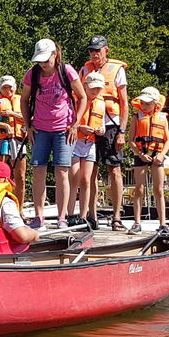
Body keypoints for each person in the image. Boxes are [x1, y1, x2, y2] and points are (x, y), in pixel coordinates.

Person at [18, 38, 87, 229]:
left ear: (54, 55)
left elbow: (82, 97)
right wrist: (27, 125)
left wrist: (76, 124)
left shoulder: (66, 71)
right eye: (39, 61)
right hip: (39, 128)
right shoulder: (32, 74)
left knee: (62, 171)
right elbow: (24, 99)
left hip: (63, 128)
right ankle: (39, 217)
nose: (43, 65)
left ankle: (62, 217)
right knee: (38, 170)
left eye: (46, 60)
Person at [81, 35, 130, 229]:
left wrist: (122, 131)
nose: (94, 54)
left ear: (106, 51)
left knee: (114, 169)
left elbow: (125, 103)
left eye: (98, 50)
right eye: (92, 50)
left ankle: (117, 217)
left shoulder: (117, 70)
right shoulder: (85, 70)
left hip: (111, 124)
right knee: (89, 172)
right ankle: (91, 216)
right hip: (89, 124)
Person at [68, 72, 107, 228]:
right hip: (75, 141)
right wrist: (80, 127)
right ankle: (70, 214)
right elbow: (68, 121)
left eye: (98, 89)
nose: (95, 91)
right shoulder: (75, 101)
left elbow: (103, 125)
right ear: (84, 86)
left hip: (90, 144)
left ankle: (83, 216)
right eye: (93, 88)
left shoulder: (101, 103)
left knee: (86, 180)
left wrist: (100, 131)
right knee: (74, 179)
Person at [128, 91, 169, 232]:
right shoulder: (136, 117)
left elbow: (168, 140)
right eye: (142, 103)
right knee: (139, 189)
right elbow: (131, 140)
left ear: (155, 104)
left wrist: (162, 155)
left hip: (157, 155)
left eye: (147, 104)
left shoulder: (163, 118)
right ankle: (137, 223)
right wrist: (139, 154)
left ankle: (163, 224)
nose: (144, 106)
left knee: (158, 190)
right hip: (141, 155)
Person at [0, 74, 27, 194]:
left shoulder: (23, 100)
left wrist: (13, 114)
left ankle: (19, 209)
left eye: (10, 87)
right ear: (0, 89)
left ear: (15, 86)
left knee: (21, 178)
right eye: (4, 88)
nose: (8, 90)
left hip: (19, 140)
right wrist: (5, 126)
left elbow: (32, 119)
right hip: (1, 140)